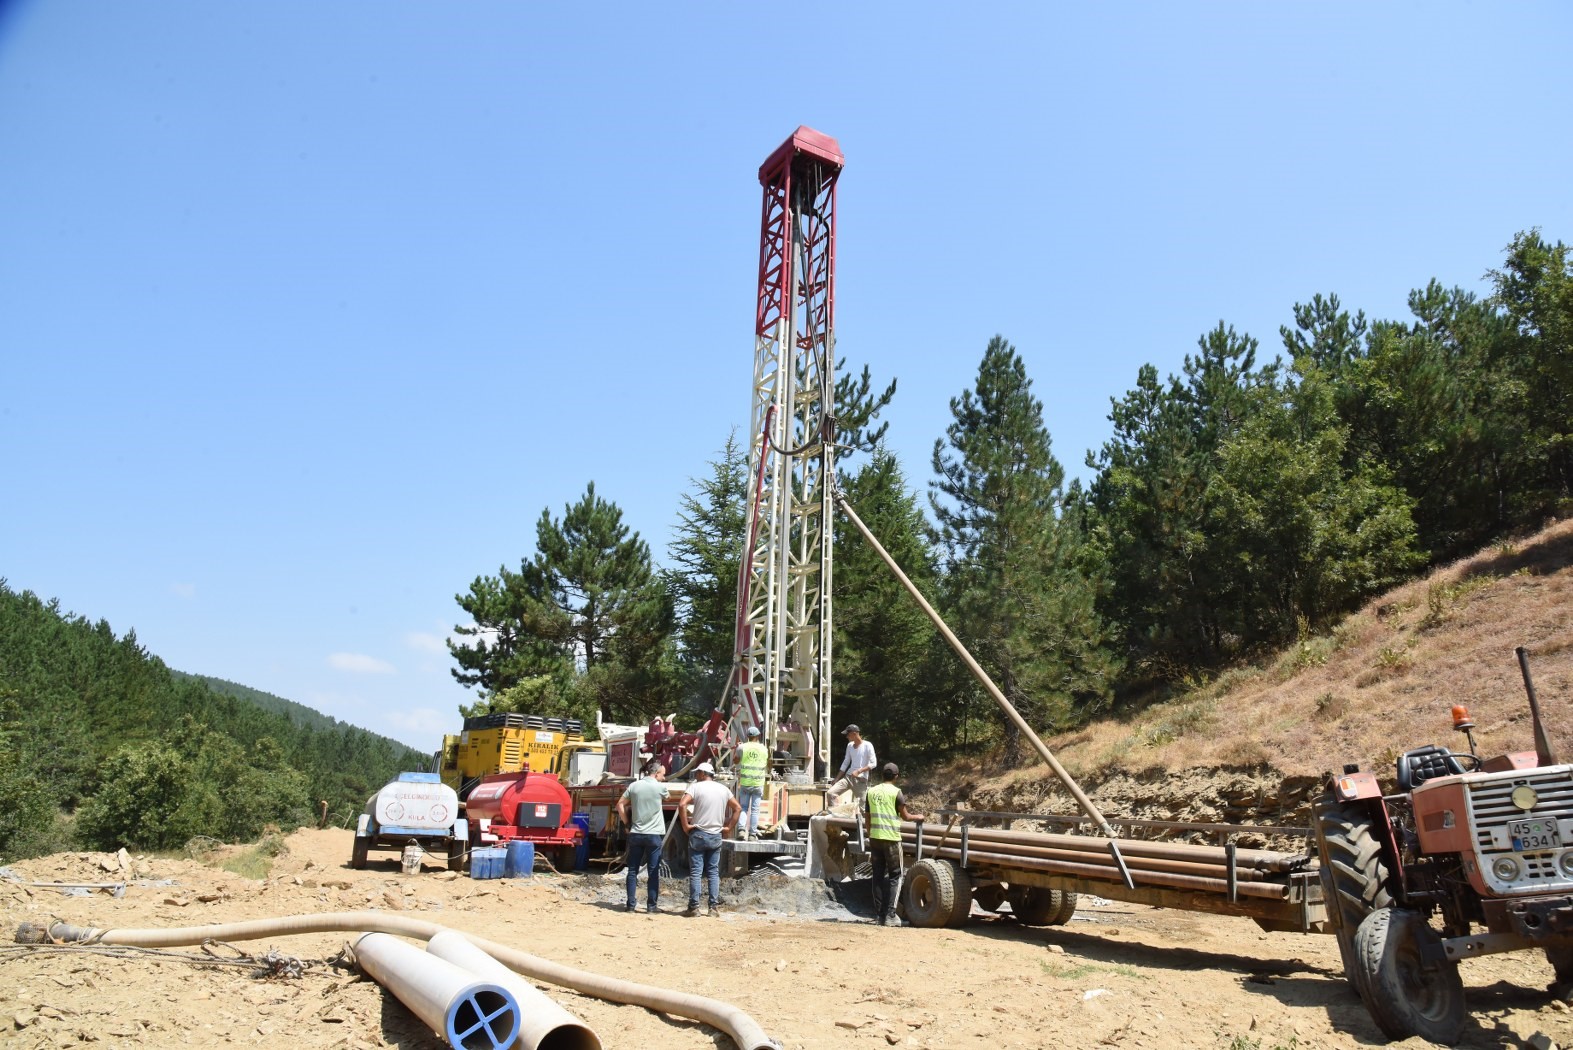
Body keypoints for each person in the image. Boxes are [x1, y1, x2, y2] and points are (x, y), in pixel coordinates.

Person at [865, 762, 925, 926]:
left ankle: (880, 916)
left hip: (875, 838)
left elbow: (867, 817)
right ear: (896, 776)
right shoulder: (896, 792)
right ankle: (891, 915)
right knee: (895, 876)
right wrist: (918, 817)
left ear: (882, 775)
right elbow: (905, 816)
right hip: (891, 839)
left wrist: (870, 835)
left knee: (877, 876)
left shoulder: (871, 792)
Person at [680, 761, 741, 917]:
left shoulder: (695, 787)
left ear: (702, 773)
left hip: (698, 833)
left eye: (697, 773)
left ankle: (694, 907)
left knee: (696, 872)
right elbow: (737, 808)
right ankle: (713, 908)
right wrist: (728, 828)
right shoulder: (723, 789)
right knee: (713, 873)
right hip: (715, 834)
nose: (696, 776)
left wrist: (686, 825)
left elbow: (682, 805)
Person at [614, 761, 668, 913]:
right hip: (654, 835)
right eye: (662, 775)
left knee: (632, 870)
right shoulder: (660, 787)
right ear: (656, 773)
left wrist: (626, 824)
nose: (664, 778)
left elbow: (620, 805)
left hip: (636, 833)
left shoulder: (634, 786)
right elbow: (668, 797)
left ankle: (631, 905)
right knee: (653, 871)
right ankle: (651, 906)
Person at [826, 724, 876, 808]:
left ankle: (862, 820)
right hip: (848, 777)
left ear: (854, 733)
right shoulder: (849, 746)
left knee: (862, 806)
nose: (847, 737)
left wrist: (859, 771)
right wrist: (837, 779)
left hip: (860, 780)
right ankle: (835, 815)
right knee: (831, 793)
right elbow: (846, 762)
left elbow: (874, 763)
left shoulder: (867, 745)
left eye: (848, 734)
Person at [735, 726, 769, 840]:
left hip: (745, 782)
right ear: (758, 736)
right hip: (758, 783)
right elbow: (768, 763)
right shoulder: (764, 749)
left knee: (744, 808)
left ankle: (741, 830)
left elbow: (735, 761)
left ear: (748, 736)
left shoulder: (742, 747)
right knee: (755, 809)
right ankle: (752, 834)